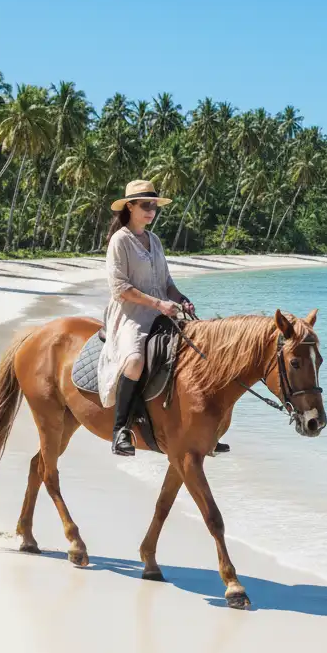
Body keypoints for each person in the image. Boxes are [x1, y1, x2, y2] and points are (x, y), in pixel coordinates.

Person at [98, 179, 229, 457]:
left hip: (164, 310)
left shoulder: (154, 240)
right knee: (134, 361)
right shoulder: (120, 241)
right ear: (130, 207)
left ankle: (200, 427)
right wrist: (159, 303)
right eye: (145, 205)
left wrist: (181, 299)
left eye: (154, 206)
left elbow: (167, 282)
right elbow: (119, 288)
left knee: (198, 351)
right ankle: (120, 429)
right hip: (131, 315)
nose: (151, 211)